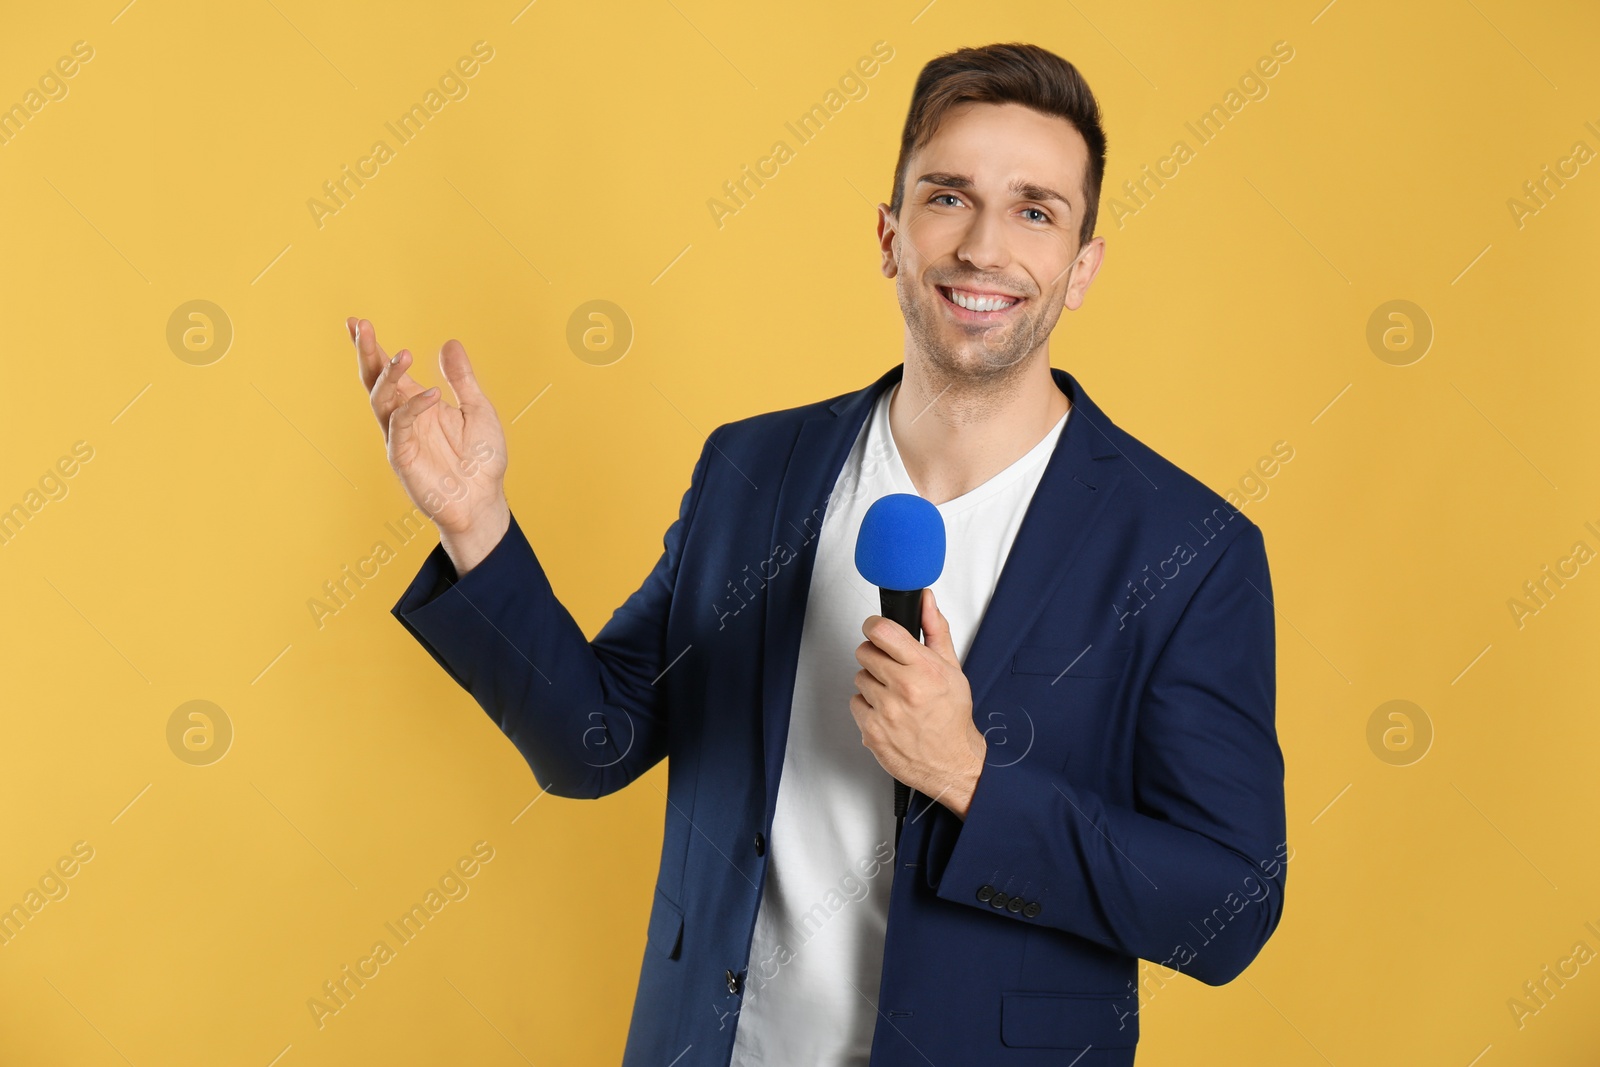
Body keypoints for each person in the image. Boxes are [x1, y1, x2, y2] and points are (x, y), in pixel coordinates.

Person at [351, 41, 1286, 1067]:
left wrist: (972, 776)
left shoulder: (1186, 548)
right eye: (946, 197)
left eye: (1034, 210)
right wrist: (472, 522)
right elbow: (595, 741)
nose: (982, 246)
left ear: (1081, 266)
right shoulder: (754, 469)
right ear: (889, 236)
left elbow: (1226, 907)